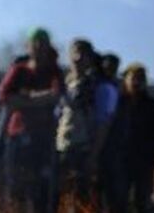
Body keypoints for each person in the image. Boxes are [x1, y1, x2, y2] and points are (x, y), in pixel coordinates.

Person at [0, 27, 62, 212]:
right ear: (29, 46)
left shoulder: (54, 72)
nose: (40, 47)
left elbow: (55, 96)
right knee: (17, 189)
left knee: (41, 192)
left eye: (44, 43)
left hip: (43, 137)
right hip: (18, 135)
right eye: (36, 43)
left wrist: (24, 99)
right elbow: (5, 98)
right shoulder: (18, 70)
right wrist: (39, 99)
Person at [55, 38, 118, 211]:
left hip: (83, 148)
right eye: (75, 52)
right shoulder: (65, 83)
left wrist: (93, 155)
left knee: (81, 201)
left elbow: (104, 123)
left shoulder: (99, 87)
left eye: (83, 54)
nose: (78, 58)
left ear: (90, 58)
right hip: (63, 146)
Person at [109, 63, 154, 213]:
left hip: (144, 160)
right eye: (133, 78)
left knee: (142, 201)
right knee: (118, 200)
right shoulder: (117, 102)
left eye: (140, 79)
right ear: (125, 79)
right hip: (119, 158)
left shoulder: (151, 105)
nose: (136, 82)